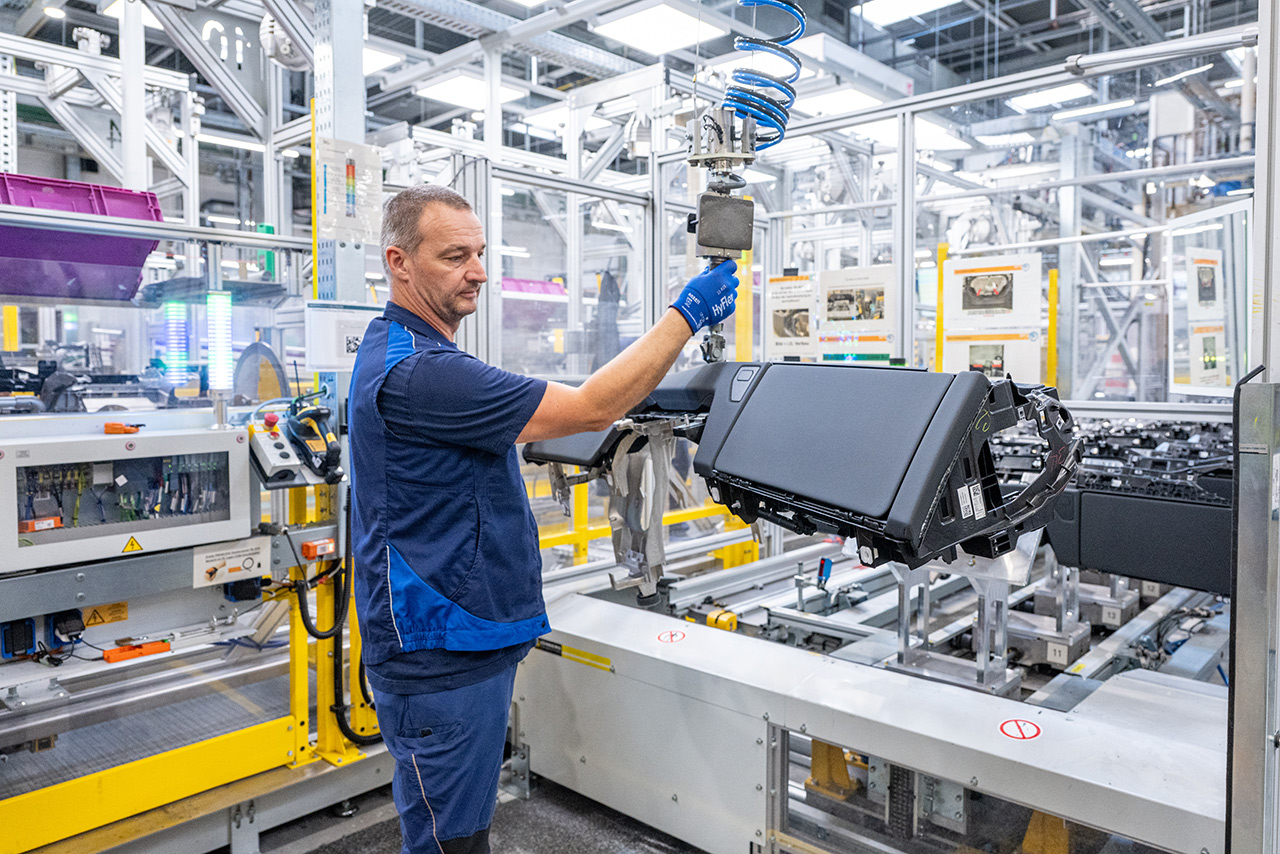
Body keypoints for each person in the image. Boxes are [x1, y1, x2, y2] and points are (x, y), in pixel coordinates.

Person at [347, 184, 739, 854]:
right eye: (453, 256)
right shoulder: (422, 374)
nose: (476, 271)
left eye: (478, 253)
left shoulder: (412, 352)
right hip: (443, 657)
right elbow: (589, 409)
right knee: (450, 841)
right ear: (399, 263)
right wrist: (685, 314)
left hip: (458, 643)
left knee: (456, 827)